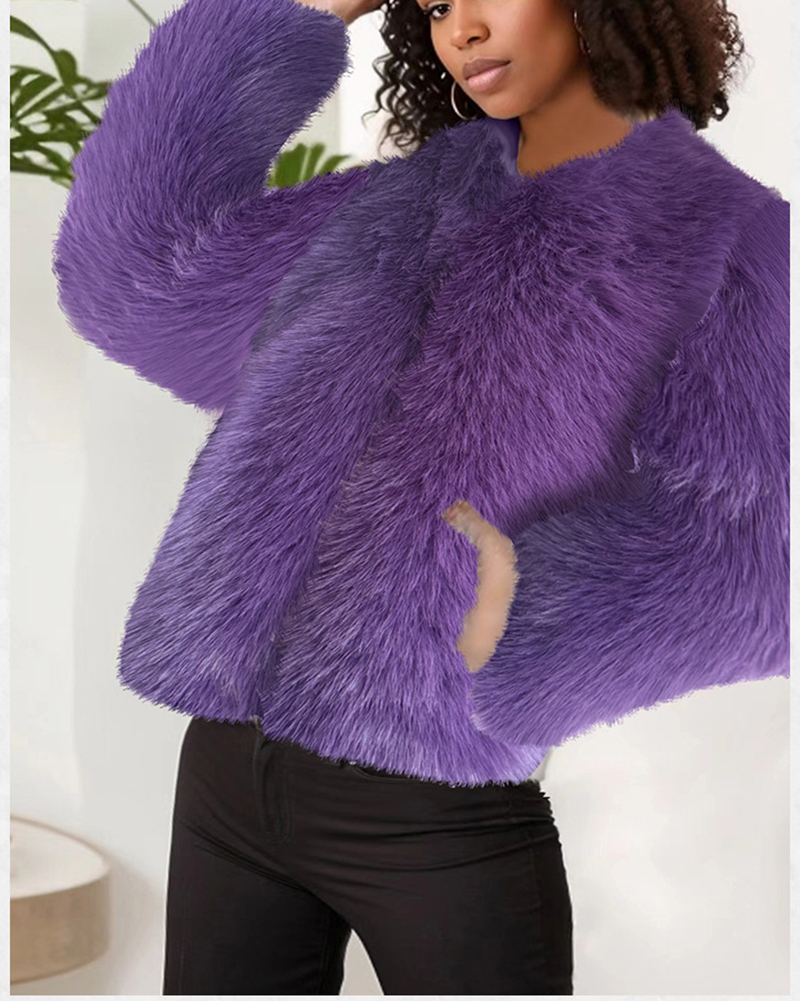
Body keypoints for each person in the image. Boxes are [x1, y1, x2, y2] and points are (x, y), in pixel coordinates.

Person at [51, 0, 788, 994]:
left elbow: (752, 547)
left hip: (437, 812)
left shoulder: (728, 236)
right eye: (436, 5)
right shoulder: (392, 204)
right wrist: (305, 11)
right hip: (227, 772)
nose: (461, 28)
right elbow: (139, 277)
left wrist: (517, 626)